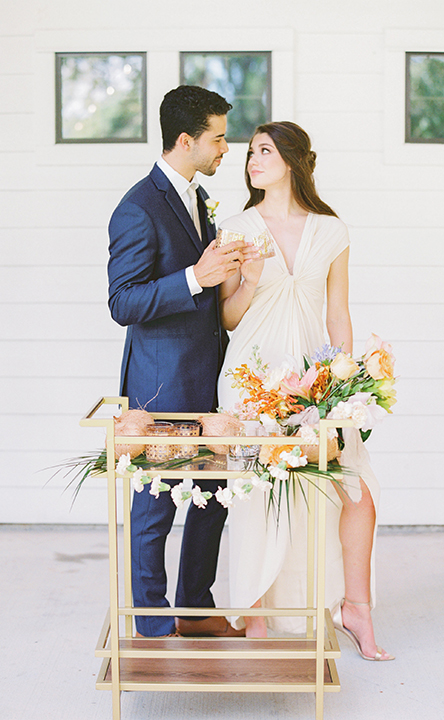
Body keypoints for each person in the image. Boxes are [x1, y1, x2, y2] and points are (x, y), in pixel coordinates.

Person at [217, 121, 394, 660]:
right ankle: (258, 621)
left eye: (264, 150)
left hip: (313, 376)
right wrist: (248, 277)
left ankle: (354, 610)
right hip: (250, 376)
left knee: (355, 489)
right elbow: (226, 318)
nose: (252, 160)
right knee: (255, 496)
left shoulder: (331, 231)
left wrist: (346, 383)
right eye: (249, 153)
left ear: (292, 159)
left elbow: (337, 313)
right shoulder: (236, 228)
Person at [108, 85, 246, 638]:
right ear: (186, 140)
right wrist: (195, 278)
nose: (227, 149)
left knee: (213, 498)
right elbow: (123, 302)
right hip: (161, 384)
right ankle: (152, 623)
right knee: (155, 508)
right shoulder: (137, 206)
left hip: (212, 378)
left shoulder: (199, 197)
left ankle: (194, 607)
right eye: (219, 138)